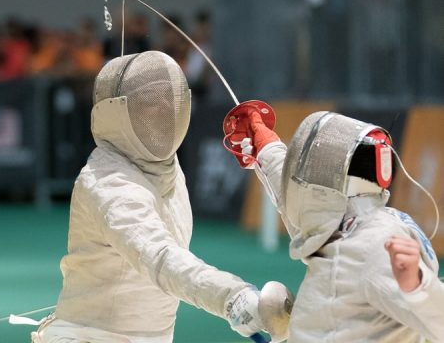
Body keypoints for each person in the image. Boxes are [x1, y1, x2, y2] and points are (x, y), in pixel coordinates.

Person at [32, 51, 287, 343]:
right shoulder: (107, 184)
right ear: (118, 113)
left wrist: (268, 152)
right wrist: (231, 297)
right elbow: (161, 258)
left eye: (171, 99)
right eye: (150, 103)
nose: (165, 109)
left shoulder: (167, 168)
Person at [232, 108, 444, 342]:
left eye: (318, 168)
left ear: (342, 179)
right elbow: (295, 197)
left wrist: (418, 288)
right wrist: (265, 144)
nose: (307, 175)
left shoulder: (375, 245)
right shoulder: (339, 221)